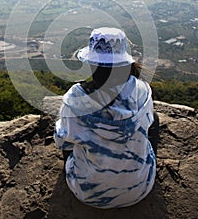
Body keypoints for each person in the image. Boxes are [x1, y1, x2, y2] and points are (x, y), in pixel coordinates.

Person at [54, 27, 159, 209]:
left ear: (92, 64)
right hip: (140, 188)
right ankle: (140, 169)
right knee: (154, 119)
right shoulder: (142, 91)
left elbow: (61, 143)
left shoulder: (75, 100)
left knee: (70, 137)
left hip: (88, 193)